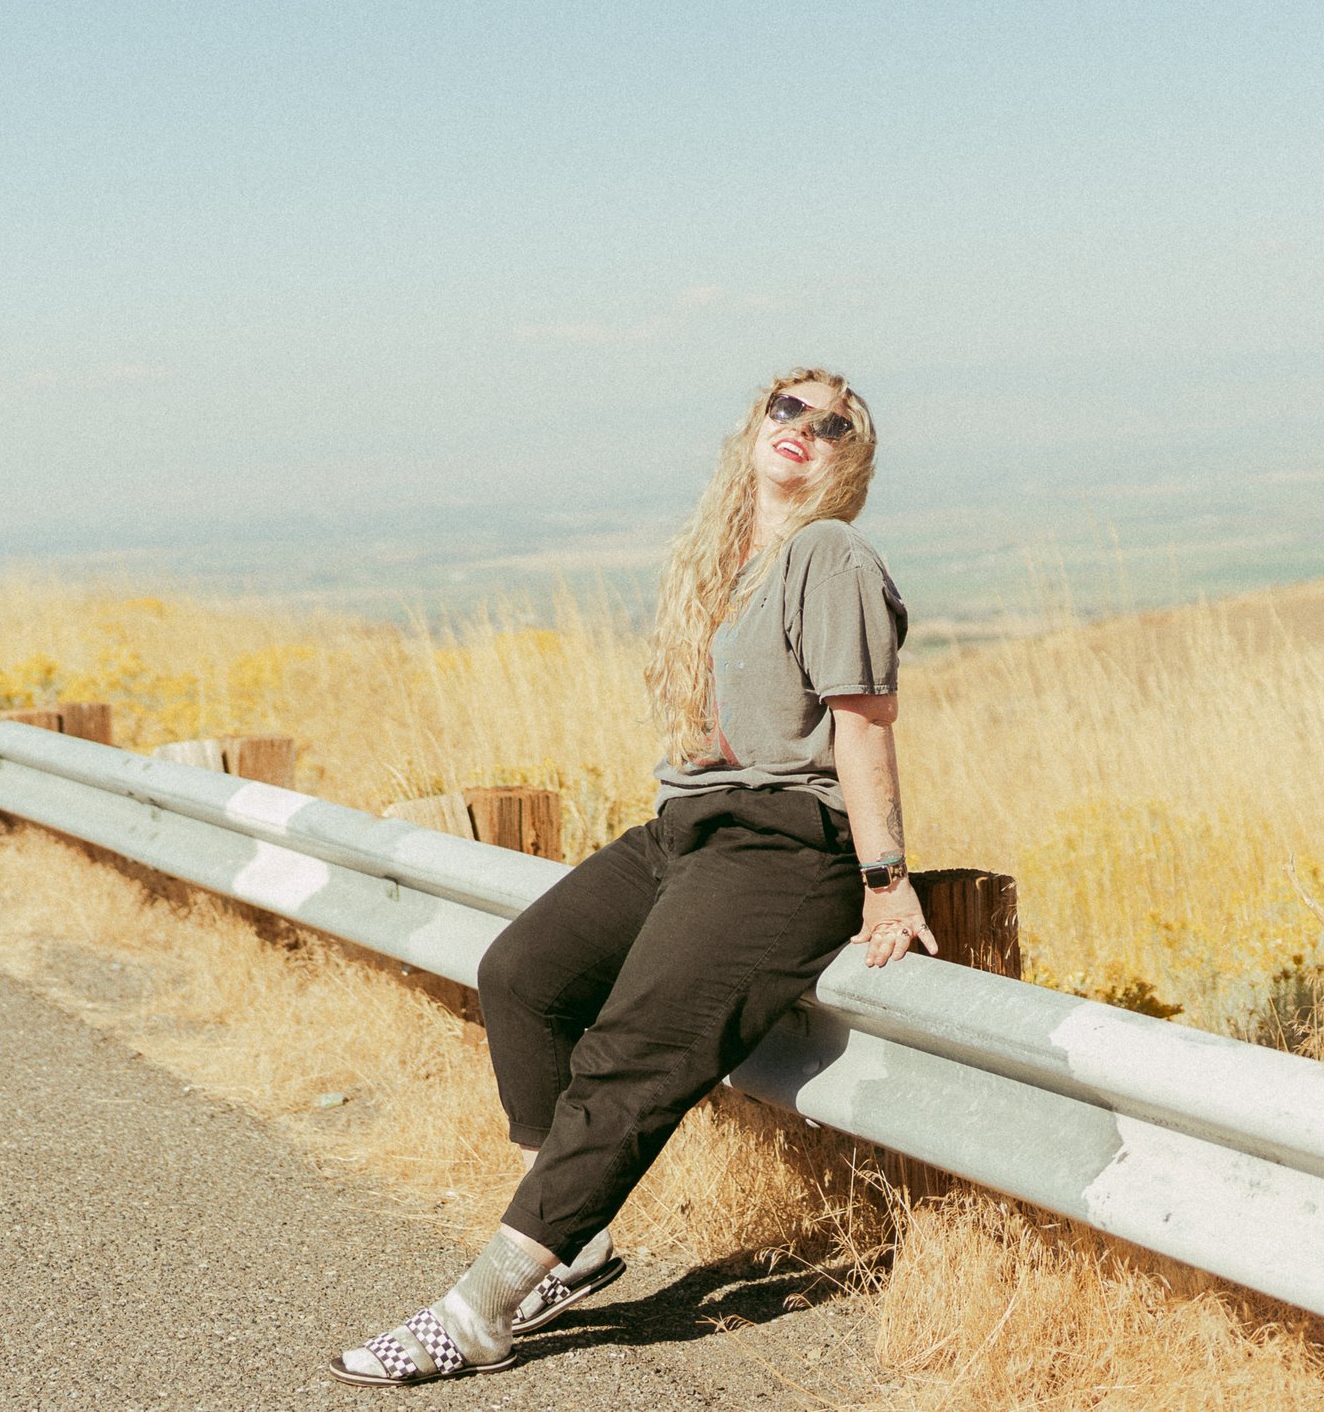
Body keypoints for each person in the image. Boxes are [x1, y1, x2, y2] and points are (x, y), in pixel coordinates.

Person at [331, 367, 934, 1386]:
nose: (806, 427)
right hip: (688, 827)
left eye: (836, 423)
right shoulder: (723, 558)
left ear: (850, 460)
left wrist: (885, 876)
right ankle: (573, 1241)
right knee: (524, 970)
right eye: (787, 405)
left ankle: (483, 1306)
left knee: (627, 1055)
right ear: (755, 423)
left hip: (785, 846)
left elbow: (863, 726)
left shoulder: (829, 556)